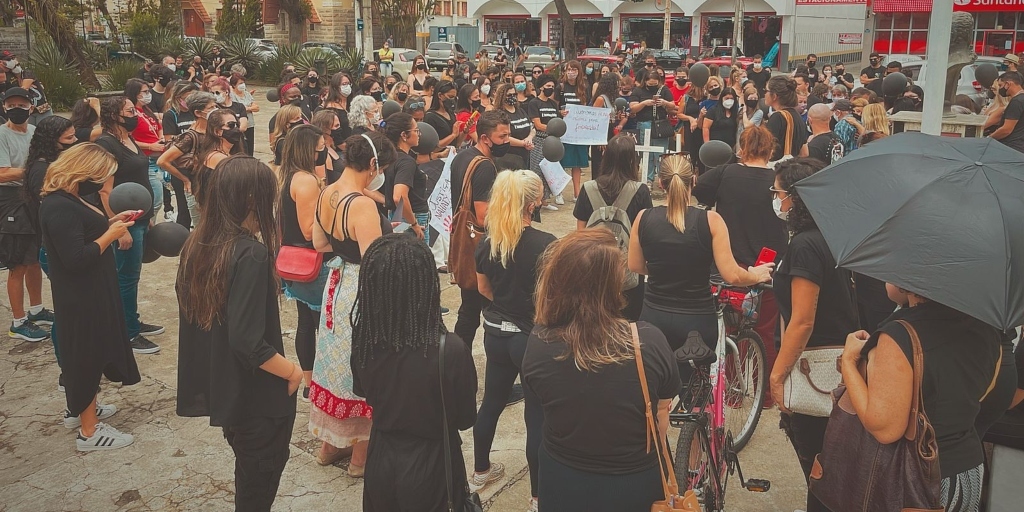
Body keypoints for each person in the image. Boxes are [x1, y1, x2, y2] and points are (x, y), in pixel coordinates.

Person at [522, 229, 679, 511]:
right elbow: (660, 418)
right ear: (612, 285)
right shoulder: (648, 342)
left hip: (562, 476)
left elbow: (540, 404)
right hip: (633, 480)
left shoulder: (538, 342)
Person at [176, 155, 299, 511]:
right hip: (257, 398)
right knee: (257, 488)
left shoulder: (197, 244)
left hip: (227, 392)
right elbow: (247, 341)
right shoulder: (252, 255)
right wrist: (291, 372)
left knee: (249, 475)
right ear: (251, 201)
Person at [841, 285, 1004, 511]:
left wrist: (848, 363)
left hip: (919, 478)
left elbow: (884, 428)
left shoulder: (899, 335)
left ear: (908, 281)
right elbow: (986, 390)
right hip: (969, 470)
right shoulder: (987, 326)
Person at [351, 234, 477, 511]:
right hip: (432, 464)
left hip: (381, 459)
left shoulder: (366, 339)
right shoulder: (450, 349)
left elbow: (361, 390)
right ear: (427, 286)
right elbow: (466, 418)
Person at [630, 152, 773, 386]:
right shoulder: (711, 220)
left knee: (652, 389)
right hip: (696, 319)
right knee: (696, 392)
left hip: (654, 315)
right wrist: (755, 274)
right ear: (694, 181)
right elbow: (732, 274)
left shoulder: (643, 218)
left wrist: (663, 269)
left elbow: (635, 265)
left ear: (660, 183)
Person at [769, 158, 859, 512]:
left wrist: (777, 375)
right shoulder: (832, 233)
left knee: (819, 469)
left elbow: (803, 320)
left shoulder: (806, 244)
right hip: (839, 360)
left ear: (795, 196)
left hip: (815, 365)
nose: (776, 200)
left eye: (778, 192)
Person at [39, 143, 141, 451]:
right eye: (101, 177)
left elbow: (82, 233)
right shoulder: (58, 206)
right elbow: (76, 258)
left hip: (94, 288)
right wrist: (109, 235)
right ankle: (89, 432)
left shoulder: (71, 199)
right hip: (81, 295)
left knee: (91, 351)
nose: (103, 184)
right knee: (85, 355)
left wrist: (110, 222)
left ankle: (82, 408)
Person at [308, 132, 396, 473]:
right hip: (361, 290)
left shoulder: (327, 190)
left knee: (337, 364)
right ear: (373, 164)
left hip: (336, 285)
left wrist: (343, 246)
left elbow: (318, 242)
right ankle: (360, 457)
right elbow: (375, 262)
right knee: (363, 364)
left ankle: (329, 445)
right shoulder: (361, 204)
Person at [471, 170, 553, 509]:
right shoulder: (546, 244)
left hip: (495, 333)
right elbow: (554, 297)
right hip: (530, 337)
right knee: (535, 416)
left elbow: (483, 289)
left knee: (491, 401)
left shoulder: (489, 242)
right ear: (533, 204)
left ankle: (480, 470)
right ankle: (537, 497)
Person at [693, 125, 787, 404]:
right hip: (770, 263)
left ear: (741, 148)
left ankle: (733, 395)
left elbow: (699, 192)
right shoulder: (779, 179)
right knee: (767, 331)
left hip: (729, 263)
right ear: (771, 149)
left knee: (730, 330)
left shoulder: (725, 174)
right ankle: (766, 395)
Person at [95, 96, 164, 355]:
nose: (135, 114)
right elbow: (105, 191)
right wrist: (120, 228)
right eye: (129, 111)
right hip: (125, 222)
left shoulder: (128, 137)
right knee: (125, 276)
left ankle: (132, 320)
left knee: (132, 275)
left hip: (140, 218)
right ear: (114, 115)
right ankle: (128, 333)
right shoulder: (107, 143)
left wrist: (149, 215)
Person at [276, 124, 330, 402]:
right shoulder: (306, 181)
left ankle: (310, 382)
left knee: (305, 323)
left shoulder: (287, 176)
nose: (324, 152)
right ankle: (323, 381)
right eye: (321, 147)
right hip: (312, 262)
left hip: (293, 261)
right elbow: (310, 230)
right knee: (323, 325)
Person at [574, 134, 653, 321]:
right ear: (632, 159)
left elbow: (580, 233)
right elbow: (646, 234)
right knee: (629, 322)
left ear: (606, 157)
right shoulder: (640, 191)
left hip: (594, 267)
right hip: (629, 269)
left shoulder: (588, 188)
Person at [450, 111, 511, 350]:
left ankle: (456, 356)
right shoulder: (485, 167)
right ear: (485, 138)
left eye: (508, 134)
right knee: (485, 309)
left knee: (468, 310)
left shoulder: (463, 156)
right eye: (502, 136)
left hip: (463, 242)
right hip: (479, 247)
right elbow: (484, 216)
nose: (507, 140)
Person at [24, 116, 75, 382]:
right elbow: (54, 213)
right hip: (56, 248)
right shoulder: (41, 170)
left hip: (63, 244)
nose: (74, 142)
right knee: (67, 311)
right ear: (50, 140)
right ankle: (67, 368)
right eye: (68, 139)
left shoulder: (55, 164)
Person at [0, 87, 52, 342]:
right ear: (4, 108)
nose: (16, 109)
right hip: (11, 201)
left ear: (31, 107)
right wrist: (34, 170)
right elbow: (2, 173)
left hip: (33, 197)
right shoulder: (1, 135)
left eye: (22, 104)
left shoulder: (34, 132)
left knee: (34, 258)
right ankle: (18, 321)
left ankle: (36, 309)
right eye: (11, 105)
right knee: (18, 262)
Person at [158, 91, 215, 229]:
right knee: (200, 227)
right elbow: (162, 161)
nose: (215, 111)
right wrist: (184, 179)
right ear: (198, 113)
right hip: (195, 187)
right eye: (211, 108)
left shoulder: (212, 130)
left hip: (210, 184)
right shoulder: (189, 137)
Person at [124, 78, 167, 220]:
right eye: (145, 91)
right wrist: (150, 146)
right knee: (154, 201)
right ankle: (148, 230)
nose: (149, 94)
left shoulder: (146, 110)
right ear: (135, 93)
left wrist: (161, 138)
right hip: (146, 160)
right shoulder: (131, 114)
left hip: (158, 158)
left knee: (158, 200)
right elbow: (126, 139)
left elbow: (159, 127)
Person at [381, 112, 428, 241]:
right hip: (411, 216)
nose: (419, 134)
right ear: (404, 135)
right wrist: (414, 224)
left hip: (396, 216)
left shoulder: (391, 157)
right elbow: (399, 197)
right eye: (416, 130)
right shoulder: (406, 162)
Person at [630, 68, 677, 184]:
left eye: (655, 84)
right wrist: (644, 103)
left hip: (660, 124)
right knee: (647, 153)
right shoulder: (638, 91)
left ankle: (662, 178)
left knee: (661, 153)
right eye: (650, 84)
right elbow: (633, 108)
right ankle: (648, 178)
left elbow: (673, 105)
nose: (652, 86)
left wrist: (664, 103)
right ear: (645, 81)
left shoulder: (664, 90)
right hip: (644, 124)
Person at [192, 109, 244, 208]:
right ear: (217, 131)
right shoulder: (216, 157)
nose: (236, 129)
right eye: (231, 125)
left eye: (237, 125)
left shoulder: (230, 153)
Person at [526, 74, 562, 207]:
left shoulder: (553, 103)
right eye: (548, 86)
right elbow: (538, 124)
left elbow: (558, 121)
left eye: (552, 86)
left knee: (550, 172)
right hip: (539, 140)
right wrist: (553, 128)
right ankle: (536, 201)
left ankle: (545, 201)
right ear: (541, 87)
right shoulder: (534, 103)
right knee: (537, 171)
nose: (550, 88)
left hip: (553, 141)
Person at [558, 60, 591, 201]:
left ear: (579, 71)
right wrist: (560, 112)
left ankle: (577, 193)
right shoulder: (560, 87)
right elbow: (555, 106)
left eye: (574, 69)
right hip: (563, 129)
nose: (571, 72)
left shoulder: (584, 87)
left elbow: (586, 107)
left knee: (577, 163)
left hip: (578, 131)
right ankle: (558, 192)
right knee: (561, 162)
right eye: (568, 69)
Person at [764, 76, 809, 161]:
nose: (764, 94)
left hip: (777, 169)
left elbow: (766, 150)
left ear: (774, 96)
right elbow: (805, 153)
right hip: (791, 169)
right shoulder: (797, 116)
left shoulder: (777, 117)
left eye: (766, 91)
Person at [590, 72, 625, 179]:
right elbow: (594, 120)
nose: (619, 85)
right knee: (599, 164)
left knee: (610, 163)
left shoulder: (613, 99)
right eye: (617, 83)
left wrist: (619, 117)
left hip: (611, 132)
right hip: (601, 133)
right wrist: (600, 139)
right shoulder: (601, 99)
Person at [494, 82, 535, 171]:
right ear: (502, 97)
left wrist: (529, 138)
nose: (512, 97)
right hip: (509, 157)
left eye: (514, 94)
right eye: (509, 95)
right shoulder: (499, 114)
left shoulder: (521, 111)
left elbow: (532, 128)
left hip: (525, 155)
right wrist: (523, 143)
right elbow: (504, 136)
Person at [989, 71, 1024, 153]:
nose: (1000, 89)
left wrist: (989, 138)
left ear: (1008, 84)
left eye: (1001, 85)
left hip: (1011, 146)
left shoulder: (1017, 102)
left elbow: (1006, 129)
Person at [310, 110, 345, 184]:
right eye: (336, 126)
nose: (339, 128)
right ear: (325, 129)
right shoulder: (323, 153)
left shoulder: (330, 146)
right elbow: (325, 182)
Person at [229, 72, 258, 156]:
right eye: (240, 83)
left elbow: (256, 107)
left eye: (243, 83)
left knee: (250, 147)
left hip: (250, 124)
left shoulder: (247, 94)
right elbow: (237, 108)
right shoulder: (232, 96)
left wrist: (246, 108)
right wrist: (247, 108)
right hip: (240, 125)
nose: (243, 85)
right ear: (234, 85)